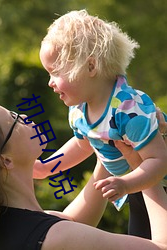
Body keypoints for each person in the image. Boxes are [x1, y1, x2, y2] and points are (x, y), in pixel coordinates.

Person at [0, 98, 167, 250]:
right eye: (14, 120)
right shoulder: (55, 238)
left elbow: (74, 221)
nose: (25, 117)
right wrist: (143, 165)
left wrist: (107, 138)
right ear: (5, 160)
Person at [35, 9, 167, 238]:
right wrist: (49, 167)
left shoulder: (128, 109)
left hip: (156, 185)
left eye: (55, 72)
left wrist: (126, 184)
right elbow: (83, 145)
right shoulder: (79, 110)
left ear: (91, 67)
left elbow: (159, 160)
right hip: (137, 189)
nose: (50, 83)